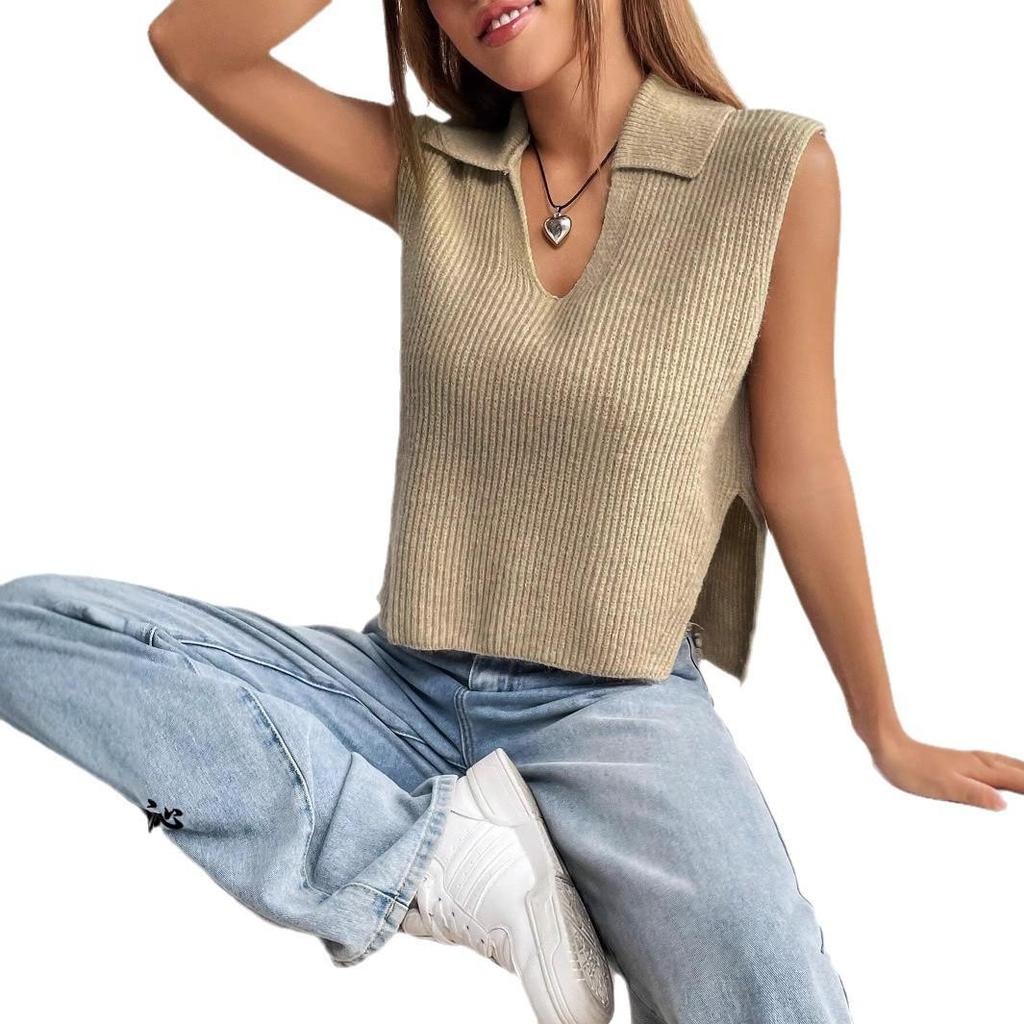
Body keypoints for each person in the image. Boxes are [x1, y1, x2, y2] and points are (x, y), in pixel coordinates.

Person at [3, 2, 1022, 1023]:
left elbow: (801, 471)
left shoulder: (770, 171)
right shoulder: (436, 174)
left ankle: (452, 855)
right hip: (400, 687)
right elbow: (194, 49)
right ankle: (427, 860)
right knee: (24, 630)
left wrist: (881, 726)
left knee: (778, 1002)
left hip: (615, 710)